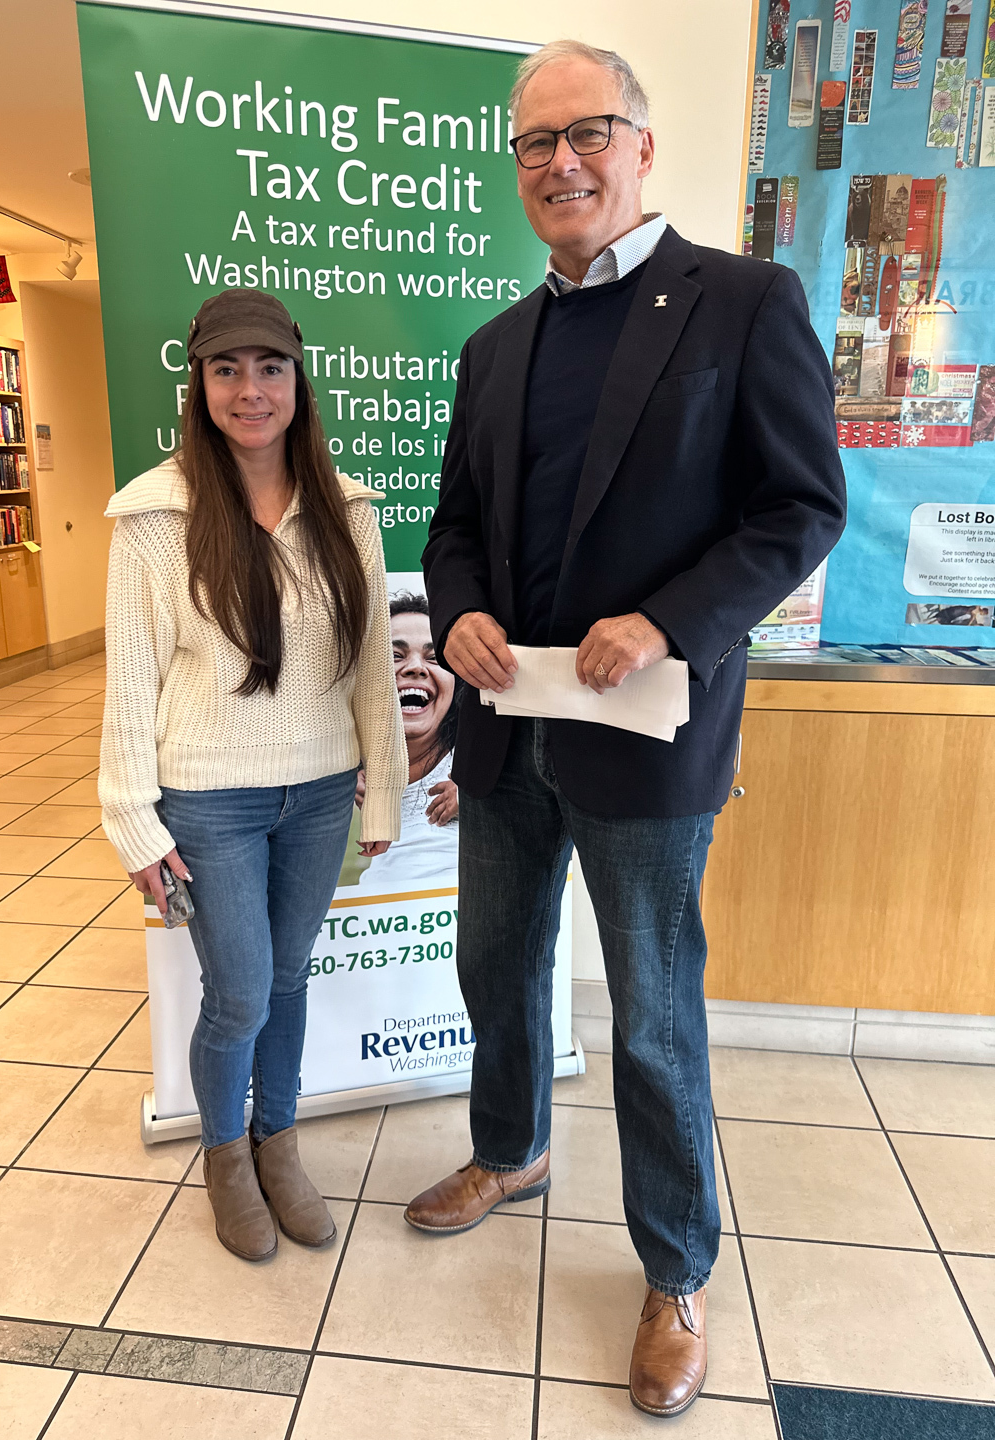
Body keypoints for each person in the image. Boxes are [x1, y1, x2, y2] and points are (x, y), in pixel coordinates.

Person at [413, 40, 847, 1418]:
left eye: (586, 132)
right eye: (535, 143)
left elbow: (798, 509)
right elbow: (459, 529)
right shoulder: (495, 345)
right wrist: (465, 615)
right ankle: (513, 1146)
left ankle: (674, 1270)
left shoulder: (743, 301)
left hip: (648, 734)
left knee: (655, 1014)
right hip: (509, 736)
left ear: (642, 146)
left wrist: (668, 621)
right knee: (494, 960)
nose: (560, 162)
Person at [99, 289, 406, 1263]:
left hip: (320, 794)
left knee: (289, 975)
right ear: (199, 383)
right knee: (240, 993)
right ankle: (226, 1155)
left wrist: (385, 791)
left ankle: (280, 1142)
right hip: (209, 802)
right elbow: (130, 676)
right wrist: (134, 825)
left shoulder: (344, 508)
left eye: (269, 367)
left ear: (298, 378)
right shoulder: (154, 514)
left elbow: (371, 669)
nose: (250, 389)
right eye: (227, 369)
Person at [356, 594, 459, 890]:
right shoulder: (343, 765)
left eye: (434, 658)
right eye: (395, 656)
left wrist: (480, 797)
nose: (415, 668)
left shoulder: (485, 762)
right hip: (380, 924)